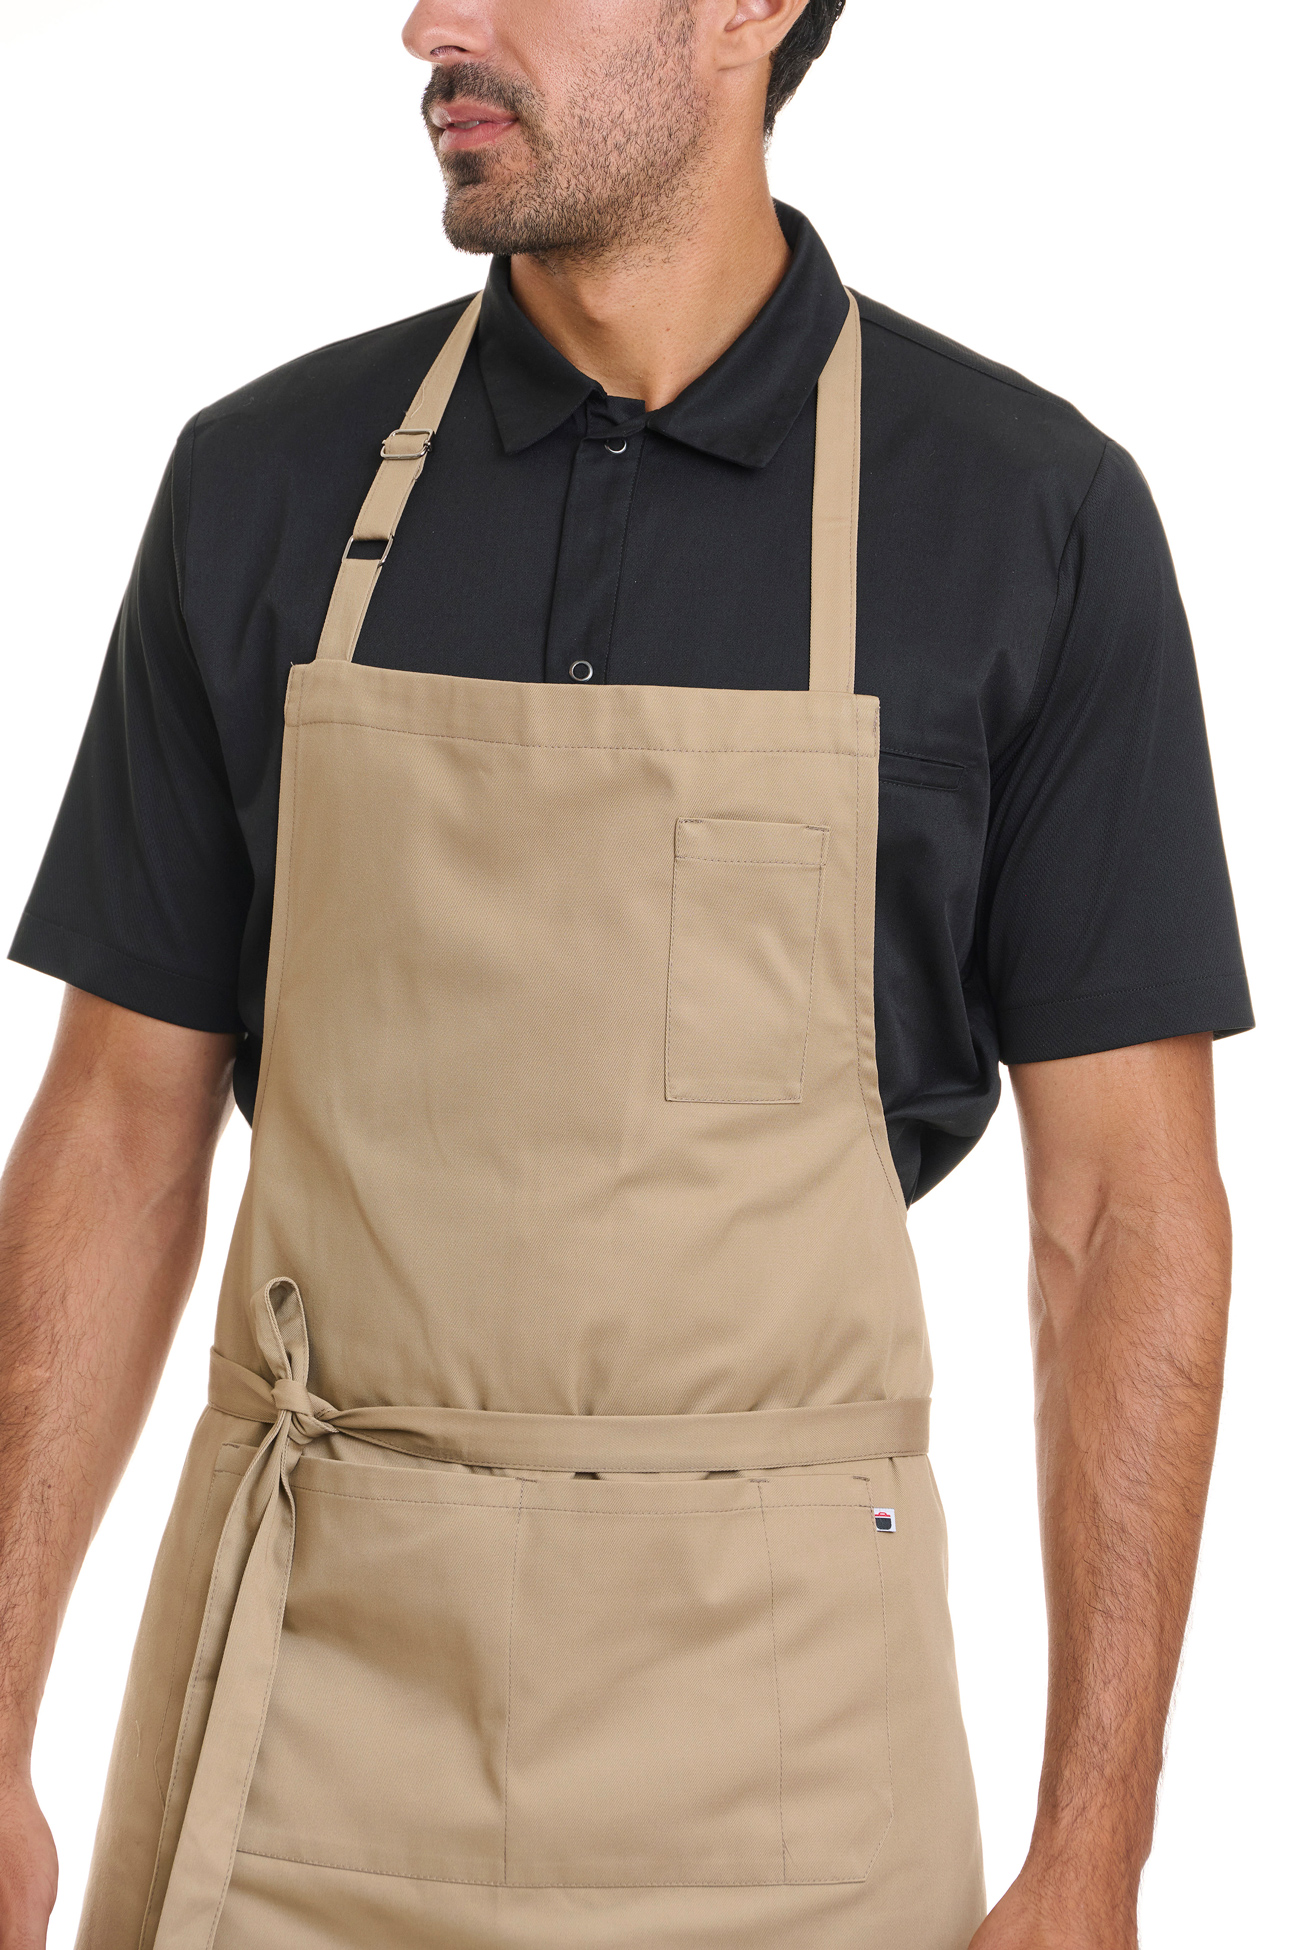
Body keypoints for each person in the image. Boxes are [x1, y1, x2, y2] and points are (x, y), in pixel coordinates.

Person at [0, 1, 1252, 1946]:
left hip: (790, 1770)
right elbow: (116, 1135)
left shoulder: (1025, 519)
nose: (432, 26)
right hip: (296, 1731)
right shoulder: (260, 482)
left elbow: (1124, 1219)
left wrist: (1095, 1847)